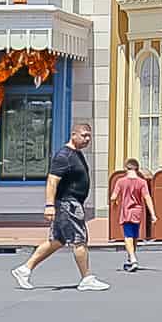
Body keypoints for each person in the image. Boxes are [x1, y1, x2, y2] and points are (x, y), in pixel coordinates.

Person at [12, 122, 107, 291]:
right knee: (80, 239)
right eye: (84, 135)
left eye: (89, 136)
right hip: (67, 203)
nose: (87, 139)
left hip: (72, 202)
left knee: (57, 240)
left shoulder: (76, 154)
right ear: (73, 135)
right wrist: (49, 205)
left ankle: (24, 269)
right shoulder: (64, 156)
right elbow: (52, 181)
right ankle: (86, 278)